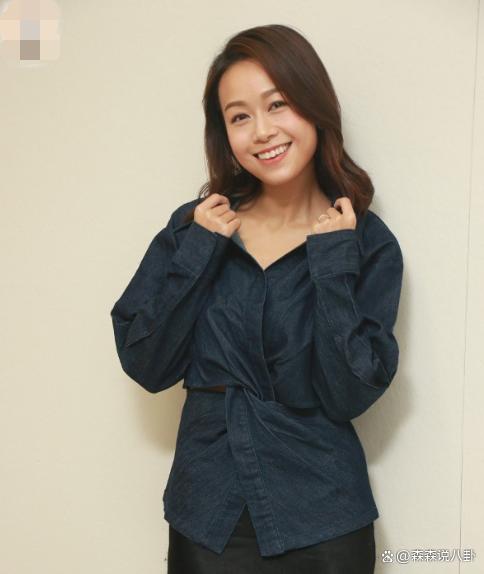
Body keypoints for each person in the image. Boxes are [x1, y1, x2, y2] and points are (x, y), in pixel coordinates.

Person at [110, 23, 403, 574]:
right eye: (239, 116)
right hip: (208, 513)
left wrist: (331, 266)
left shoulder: (365, 242)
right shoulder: (194, 228)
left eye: (278, 104)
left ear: (314, 106)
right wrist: (200, 252)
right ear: (224, 133)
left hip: (323, 514)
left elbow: (349, 393)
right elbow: (147, 364)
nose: (262, 131)